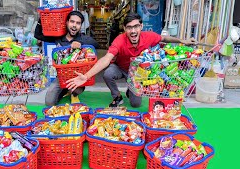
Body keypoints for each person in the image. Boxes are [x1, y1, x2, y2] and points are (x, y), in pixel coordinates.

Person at [66, 13, 197, 108]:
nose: (133, 31)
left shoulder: (149, 37)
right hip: (120, 68)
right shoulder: (119, 40)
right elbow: (106, 58)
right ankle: (117, 97)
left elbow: (164, 39)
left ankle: (130, 90)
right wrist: (87, 75)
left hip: (137, 73)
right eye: (129, 27)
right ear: (124, 29)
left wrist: (182, 41)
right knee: (107, 73)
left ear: (141, 26)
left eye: (136, 27)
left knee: (135, 104)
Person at [34, 11, 99, 106]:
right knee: (49, 102)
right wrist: (41, 19)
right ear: (67, 22)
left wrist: (81, 44)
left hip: (78, 77)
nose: (74, 25)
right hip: (61, 76)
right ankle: (64, 90)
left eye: (78, 23)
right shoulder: (58, 37)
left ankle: (73, 92)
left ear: (81, 26)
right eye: (72, 22)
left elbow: (96, 44)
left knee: (77, 89)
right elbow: (38, 35)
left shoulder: (83, 38)